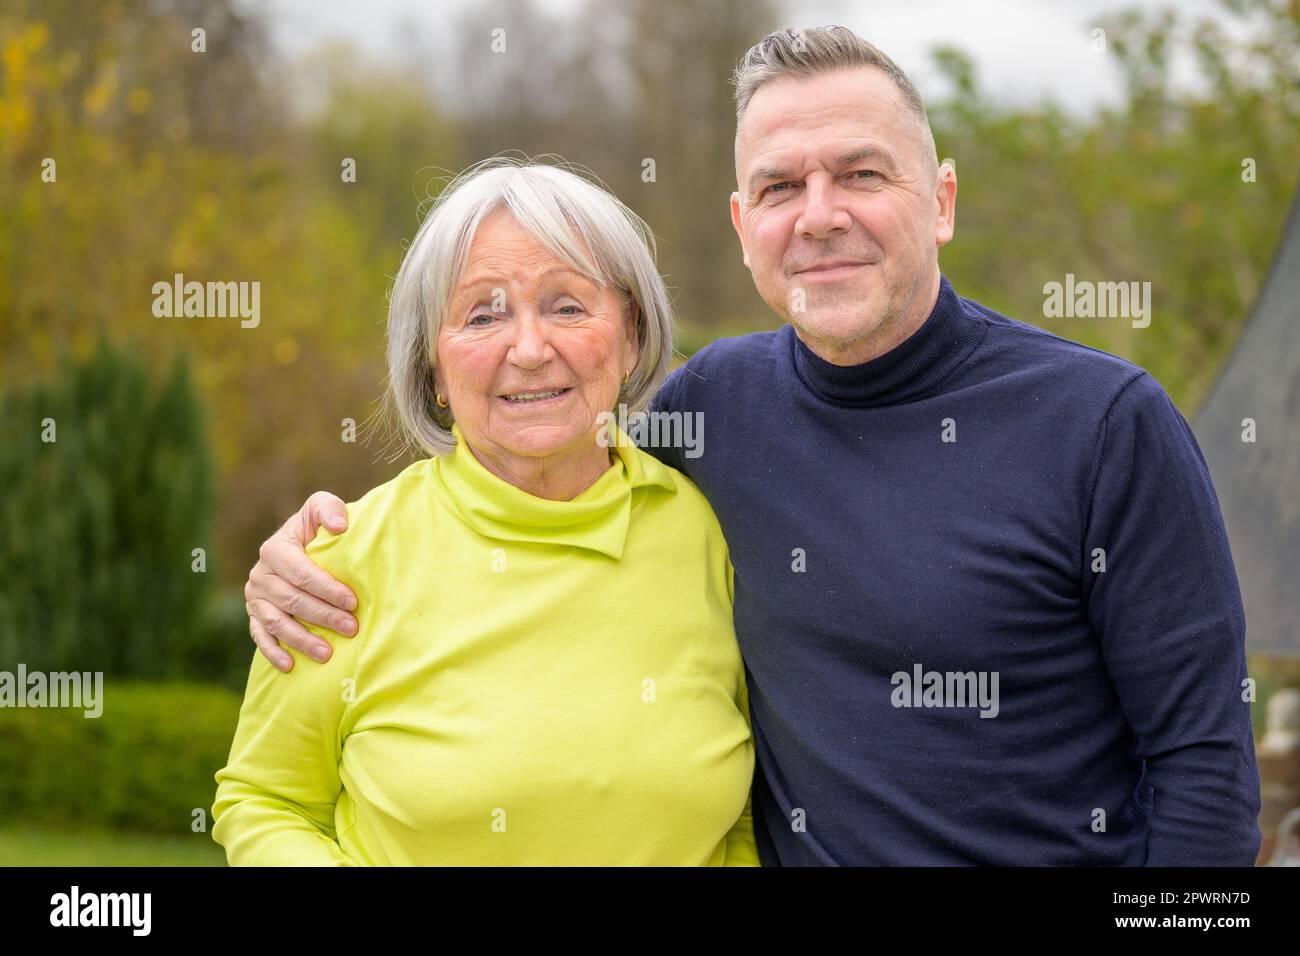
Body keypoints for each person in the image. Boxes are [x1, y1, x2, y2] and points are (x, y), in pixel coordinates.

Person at [243, 27, 1261, 866]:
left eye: (861, 173)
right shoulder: (709, 417)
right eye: (780, 188)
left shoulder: (1102, 425)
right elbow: (529, 442)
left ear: (942, 200)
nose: (819, 216)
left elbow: (1203, 767)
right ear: (742, 224)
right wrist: (312, 551)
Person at [213, 159, 757, 866]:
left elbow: (743, 816)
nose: (530, 350)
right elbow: (265, 801)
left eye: (567, 306)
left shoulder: (709, 530)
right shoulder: (340, 563)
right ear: (433, 368)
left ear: (629, 335)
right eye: (483, 314)